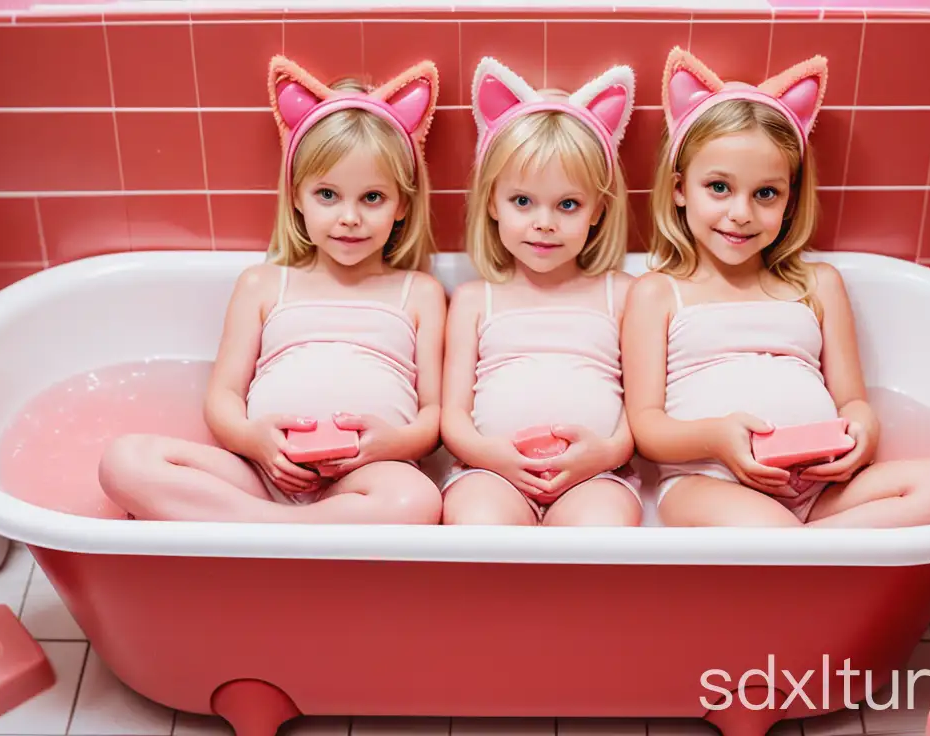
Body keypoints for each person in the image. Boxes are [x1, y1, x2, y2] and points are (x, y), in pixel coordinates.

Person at [621, 47, 930, 528]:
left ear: (790, 201)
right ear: (681, 189)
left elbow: (852, 400)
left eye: (765, 193)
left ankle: (803, 549)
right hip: (709, 482)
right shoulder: (659, 293)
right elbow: (646, 427)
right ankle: (807, 552)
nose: (741, 213)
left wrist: (863, 432)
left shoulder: (817, 285)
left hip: (819, 485)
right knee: (767, 530)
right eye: (719, 187)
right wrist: (716, 438)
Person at [98, 56, 447, 524]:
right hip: (260, 477)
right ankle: (289, 529)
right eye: (328, 195)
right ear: (298, 195)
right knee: (125, 460)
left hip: (365, 478)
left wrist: (391, 444)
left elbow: (432, 416)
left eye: (372, 197)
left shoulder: (419, 293)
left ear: (402, 204)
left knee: (417, 500)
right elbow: (222, 396)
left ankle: (257, 531)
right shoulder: (263, 284)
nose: (349, 216)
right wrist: (254, 440)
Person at [438, 57, 643, 527]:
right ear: (492, 201)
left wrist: (607, 452)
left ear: (598, 210)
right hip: (488, 471)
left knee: (602, 532)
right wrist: (493, 456)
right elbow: (453, 417)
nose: (544, 222)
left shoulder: (625, 295)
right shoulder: (474, 300)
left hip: (596, 476)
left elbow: (641, 408)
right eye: (522, 201)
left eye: (568, 204)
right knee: (479, 527)